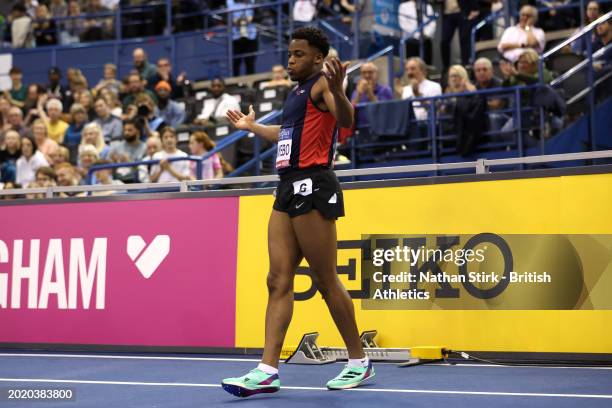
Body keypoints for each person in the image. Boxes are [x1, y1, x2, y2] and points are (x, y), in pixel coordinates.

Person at [222, 27, 371, 398]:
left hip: (314, 184)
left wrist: (338, 90)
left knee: (325, 279)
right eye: (290, 54)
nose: (291, 60)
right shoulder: (297, 93)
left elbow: (347, 119)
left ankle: (358, 361)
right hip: (287, 187)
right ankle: (267, 369)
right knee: (277, 279)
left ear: (318, 58)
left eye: (299, 54)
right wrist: (252, 126)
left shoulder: (322, 84)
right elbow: (287, 133)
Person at [440, 0, 480, 70]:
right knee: (444, 41)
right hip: (447, 13)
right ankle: (446, 67)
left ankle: (465, 65)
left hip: (462, 11)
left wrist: (475, 8)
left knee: (464, 39)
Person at [398, 0, 436, 65]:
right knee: (412, 64)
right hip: (411, 41)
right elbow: (404, 24)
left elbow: (432, 22)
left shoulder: (428, 7)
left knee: (426, 65)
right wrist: (418, 34)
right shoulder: (403, 6)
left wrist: (426, 34)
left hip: (425, 40)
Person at [228, 0, 258, 76]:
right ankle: (235, 82)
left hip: (251, 37)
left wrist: (252, 18)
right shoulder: (230, 3)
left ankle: (251, 83)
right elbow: (225, 19)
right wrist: (234, 21)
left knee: (250, 61)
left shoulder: (253, 3)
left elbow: (260, 16)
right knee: (236, 62)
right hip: (236, 37)